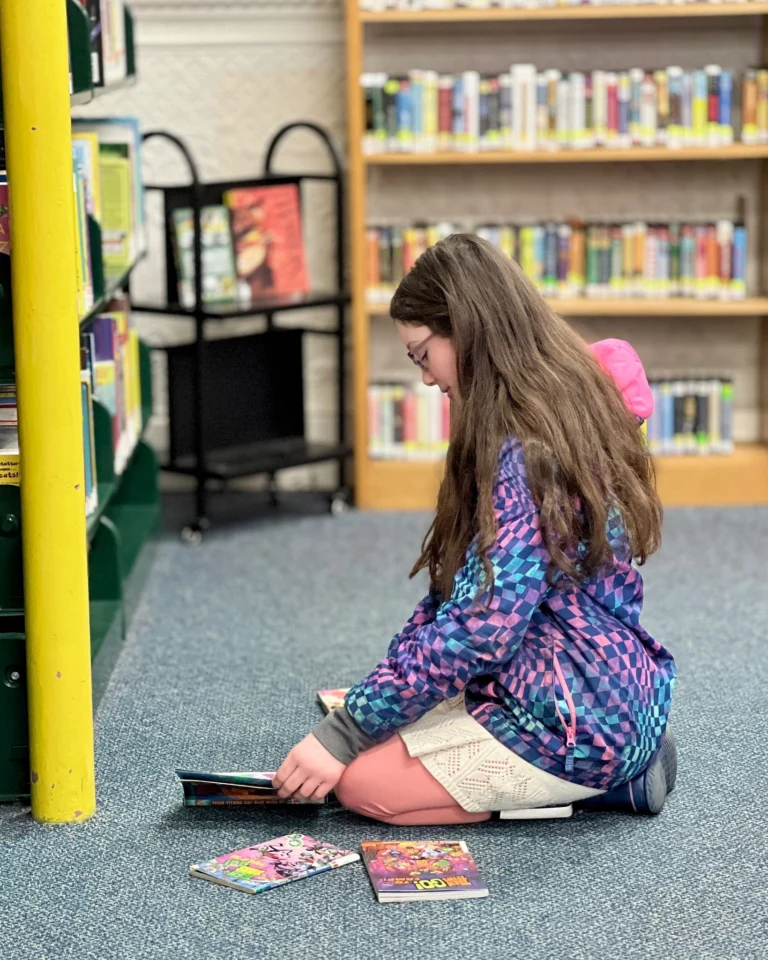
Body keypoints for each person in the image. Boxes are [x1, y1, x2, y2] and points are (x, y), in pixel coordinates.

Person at [274, 233, 677, 825]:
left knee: (362, 786)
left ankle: (606, 787)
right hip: (612, 684)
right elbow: (459, 595)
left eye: (422, 355)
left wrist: (346, 732)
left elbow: (481, 627)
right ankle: (616, 762)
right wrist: (373, 703)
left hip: (577, 719)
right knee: (394, 724)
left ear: (465, 330)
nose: (425, 378)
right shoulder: (567, 401)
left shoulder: (526, 452)